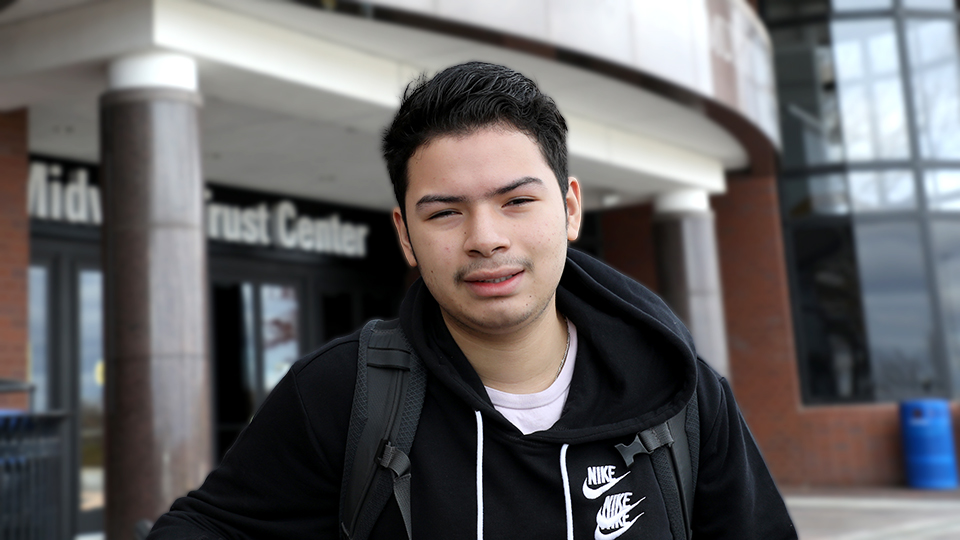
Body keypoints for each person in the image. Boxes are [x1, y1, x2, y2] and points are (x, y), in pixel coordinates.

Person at [148, 61, 797, 539]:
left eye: (517, 201)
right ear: (405, 235)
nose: (486, 239)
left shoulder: (678, 394)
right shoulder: (345, 394)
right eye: (445, 213)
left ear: (570, 208)